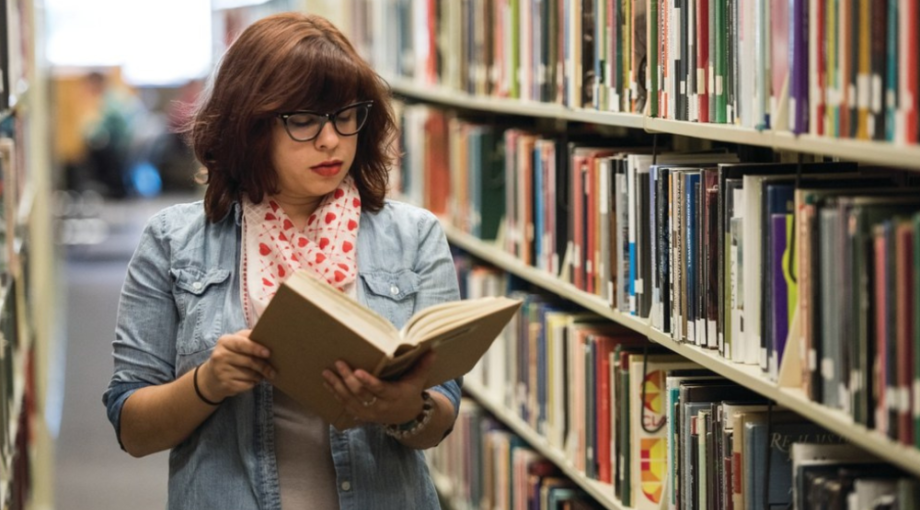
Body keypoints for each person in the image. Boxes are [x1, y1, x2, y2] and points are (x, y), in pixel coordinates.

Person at [102, 12, 462, 510]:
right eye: (303, 120)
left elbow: (441, 418)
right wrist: (209, 383)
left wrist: (408, 409)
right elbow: (133, 429)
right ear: (249, 125)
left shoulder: (414, 236)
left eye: (345, 115)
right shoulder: (173, 241)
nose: (331, 139)